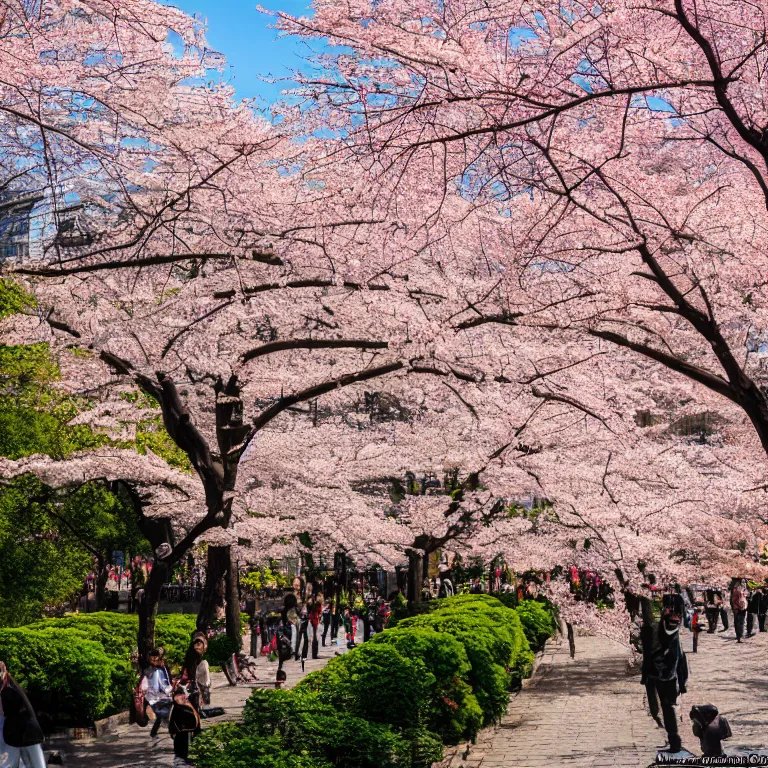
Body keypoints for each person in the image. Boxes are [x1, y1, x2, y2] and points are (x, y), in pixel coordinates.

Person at [641, 596, 688, 753]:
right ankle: (673, 739)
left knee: (665, 707)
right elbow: (679, 656)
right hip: (667, 673)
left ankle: (673, 738)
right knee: (666, 707)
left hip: (661, 672)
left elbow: (675, 655)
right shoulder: (668, 627)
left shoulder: (655, 627)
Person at [0, 662, 46, 768]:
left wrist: (4, 674)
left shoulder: (9, 690)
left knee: (32, 760)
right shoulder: (10, 689)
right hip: (16, 731)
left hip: (18, 731)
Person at [170, 631, 207, 759]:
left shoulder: (196, 658)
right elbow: (188, 676)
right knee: (189, 721)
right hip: (188, 694)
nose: (198, 647)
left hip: (190, 693)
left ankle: (186, 750)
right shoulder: (194, 659)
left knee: (190, 721)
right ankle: (188, 750)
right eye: (196, 644)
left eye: (200, 644)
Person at [139, 647, 173, 737]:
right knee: (164, 712)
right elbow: (157, 685)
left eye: (156, 658)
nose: (154, 660)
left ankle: (154, 732)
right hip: (154, 696)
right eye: (152, 659)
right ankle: (170, 730)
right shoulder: (150, 669)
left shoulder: (162, 668)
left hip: (160, 696)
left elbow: (167, 681)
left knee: (162, 714)